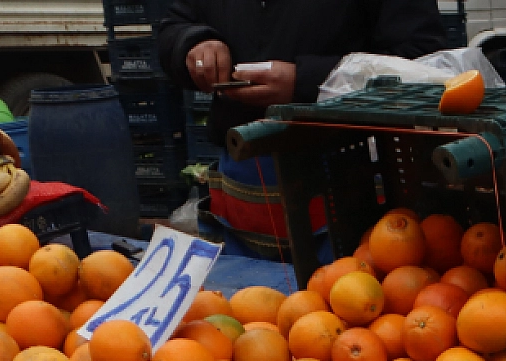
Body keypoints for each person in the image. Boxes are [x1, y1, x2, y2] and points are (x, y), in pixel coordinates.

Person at [157, 0, 445, 257]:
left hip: (353, 186)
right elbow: (174, 24)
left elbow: (423, 63)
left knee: (351, 307)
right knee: (246, 309)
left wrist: (308, 81)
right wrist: (194, 43)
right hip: (243, 193)